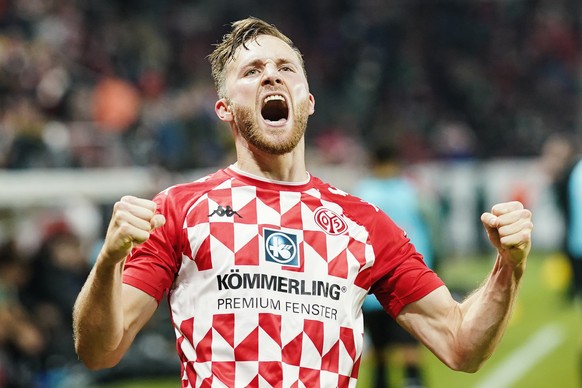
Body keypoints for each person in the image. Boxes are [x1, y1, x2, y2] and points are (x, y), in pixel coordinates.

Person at [73, 17, 533, 388]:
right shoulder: (179, 210)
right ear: (225, 108)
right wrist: (110, 260)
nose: (271, 74)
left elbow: (460, 345)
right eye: (251, 71)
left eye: (285, 67)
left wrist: (508, 266)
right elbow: (100, 350)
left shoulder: (364, 224)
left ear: (308, 101)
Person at [353, 144, 435, 388]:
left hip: (373, 285)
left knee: (381, 351)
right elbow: (431, 229)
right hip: (408, 281)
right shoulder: (411, 191)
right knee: (408, 346)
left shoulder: (362, 193)